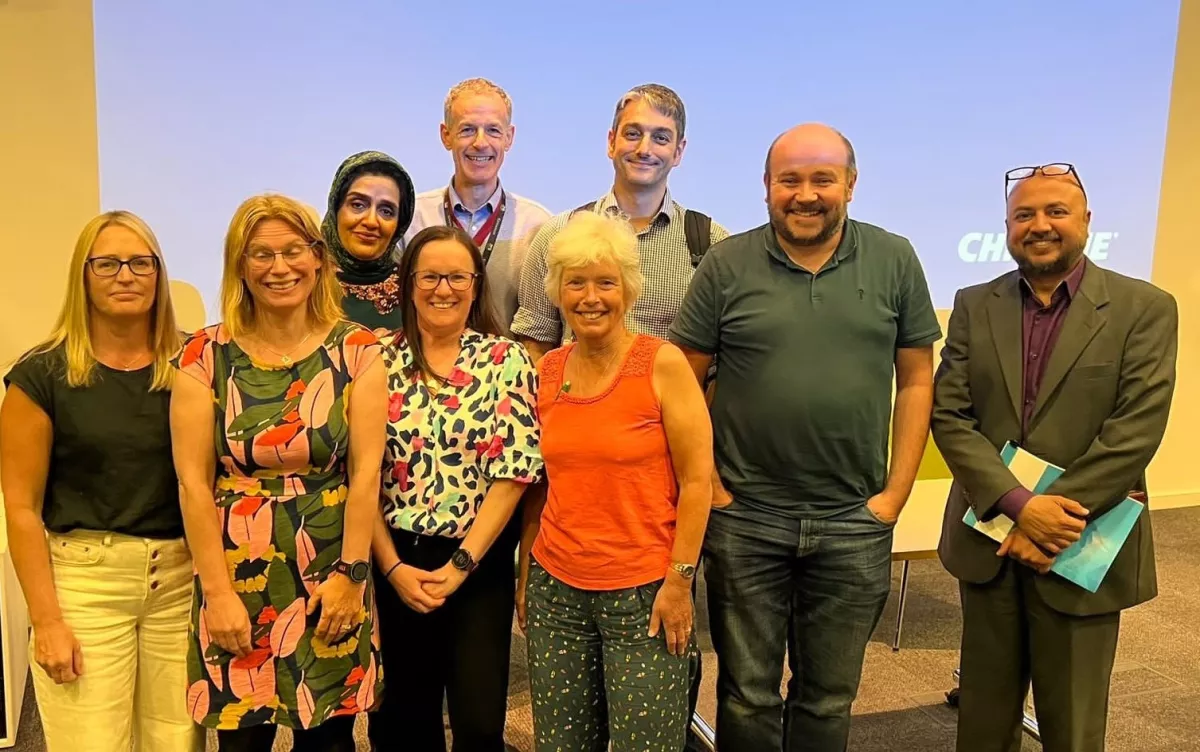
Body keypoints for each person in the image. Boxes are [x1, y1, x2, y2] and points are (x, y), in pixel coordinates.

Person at [669, 123, 942, 751]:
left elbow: (918, 382)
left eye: (823, 178)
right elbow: (684, 386)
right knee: (747, 695)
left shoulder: (895, 257)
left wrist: (895, 495)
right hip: (746, 518)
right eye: (789, 179)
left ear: (850, 183)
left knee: (827, 700)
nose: (806, 193)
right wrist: (710, 485)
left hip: (854, 519)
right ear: (767, 186)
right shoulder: (726, 262)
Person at [932, 163, 1178, 752]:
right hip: (989, 536)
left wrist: (1049, 520)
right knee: (984, 723)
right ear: (1008, 226)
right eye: (1024, 215)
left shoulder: (1143, 307)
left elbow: (1134, 430)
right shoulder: (973, 303)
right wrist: (1019, 507)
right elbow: (951, 415)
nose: (1039, 225)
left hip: (1081, 545)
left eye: (1055, 212)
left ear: (1086, 222)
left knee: (1072, 725)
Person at [512, 85, 728, 744]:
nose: (591, 296)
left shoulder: (705, 245)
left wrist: (680, 576)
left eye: (660, 136)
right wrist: (526, 567)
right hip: (560, 576)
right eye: (576, 283)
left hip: (647, 562)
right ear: (611, 140)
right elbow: (538, 473)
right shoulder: (547, 363)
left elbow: (698, 467)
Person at [170, 194, 387, 752]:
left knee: (330, 741)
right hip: (237, 570)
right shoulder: (203, 355)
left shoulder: (357, 351)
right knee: (242, 739)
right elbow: (193, 484)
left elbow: (365, 476)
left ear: (318, 259)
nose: (279, 267)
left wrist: (352, 578)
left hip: (330, 568)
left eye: (293, 251)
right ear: (240, 266)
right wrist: (218, 593)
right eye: (260, 254)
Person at [0, 211, 199, 752]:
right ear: (82, 275)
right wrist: (46, 622)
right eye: (107, 263)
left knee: (177, 742)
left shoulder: (195, 364)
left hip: (180, 585)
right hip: (86, 589)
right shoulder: (41, 375)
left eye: (140, 262)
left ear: (158, 273)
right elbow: (20, 508)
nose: (125, 275)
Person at [367, 224, 543, 751]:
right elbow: (359, 475)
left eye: (457, 277)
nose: (444, 289)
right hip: (393, 558)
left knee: (479, 721)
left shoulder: (505, 360)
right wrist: (393, 569)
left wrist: (459, 566)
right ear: (408, 284)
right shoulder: (375, 359)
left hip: (477, 562)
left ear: (476, 283)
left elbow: (513, 474)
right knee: (403, 716)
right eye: (431, 277)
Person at [512, 83, 730, 361]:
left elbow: (719, 361)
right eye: (632, 134)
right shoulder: (557, 235)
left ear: (678, 151)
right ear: (611, 141)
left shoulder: (711, 245)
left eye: (661, 138)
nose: (644, 149)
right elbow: (535, 343)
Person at [403, 78, 551, 333]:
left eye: (493, 130)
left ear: (509, 137)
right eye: (467, 129)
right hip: (422, 370)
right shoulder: (411, 219)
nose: (480, 142)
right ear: (445, 135)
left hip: (506, 371)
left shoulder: (538, 227)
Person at [323, 149, 416, 331]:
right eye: (358, 205)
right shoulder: (303, 283)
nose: (371, 221)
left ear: (400, 223)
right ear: (336, 208)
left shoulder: (416, 290)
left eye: (386, 211)